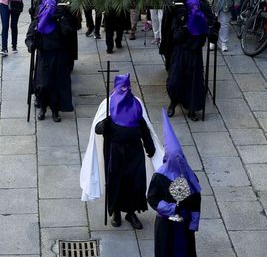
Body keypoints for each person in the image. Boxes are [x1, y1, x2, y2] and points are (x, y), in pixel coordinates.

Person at [80, 74, 162, 228]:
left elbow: (144, 126)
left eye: (127, 87)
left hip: (134, 151)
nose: (125, 91)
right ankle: (116, 213)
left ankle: (131, 213)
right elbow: (97, 129)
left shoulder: (136, 104)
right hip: (114, 151)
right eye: (122, 88)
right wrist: (104, 124)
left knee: (135, 183)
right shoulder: (107, 104)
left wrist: (150, 146)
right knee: (116, 182)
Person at [25, 0, 78, 122]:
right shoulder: (40, 18)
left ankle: (55, 111)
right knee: (42, 84)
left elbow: (69, 32)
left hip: (59, 54)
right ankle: (42, 107)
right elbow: (30, 36)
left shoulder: (60, 14)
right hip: (44, 55)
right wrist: (31, 44)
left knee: (56, 85)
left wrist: (60, 19)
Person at [146, 109, 201, 256]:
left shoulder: (189, 176)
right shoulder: (159, 176)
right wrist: (172, 208)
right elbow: (152, 198)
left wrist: (193, 222)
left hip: (185, 224)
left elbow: (196, 200)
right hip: (165, 224)